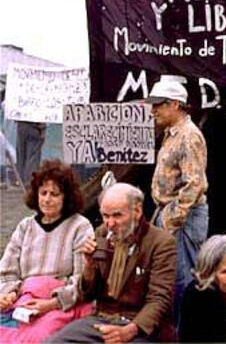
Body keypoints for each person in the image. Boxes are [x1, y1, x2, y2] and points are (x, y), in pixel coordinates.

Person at [46, 182, 177, 343]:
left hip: (140, 326)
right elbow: (86, 295)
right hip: (102, 319)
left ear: (137, 211)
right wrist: (89, 266)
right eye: (105, 216)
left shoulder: (161, 242)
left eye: (117, 215)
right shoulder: (102, 233)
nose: (110, 223)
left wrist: (129, 331)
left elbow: (159, 300)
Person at [0, 159, 94, 343]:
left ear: (66, 197)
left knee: (39, 337)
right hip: (22, 302)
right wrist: (8, 294)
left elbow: (82, 280)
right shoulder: (25, 226)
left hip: (61, 305)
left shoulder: (80, 227)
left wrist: (50, 304)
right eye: (43, 193)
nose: (47, 199)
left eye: (54, 194)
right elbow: (6, 272)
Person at [146, 75, 209, 318]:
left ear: (175, 104)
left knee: (185, 277)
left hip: (184, 216)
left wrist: (172, 219)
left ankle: (186, 331)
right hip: (173, 212)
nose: (154, 110)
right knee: (174, 275)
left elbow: (193, 184)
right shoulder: (173, 133)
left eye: (159, 104)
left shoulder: (188, 135)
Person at [16, 120, 47, 186]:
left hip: (21, 124)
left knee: (21, 155)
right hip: (35, 126)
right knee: (33, 156)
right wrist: (43, 129)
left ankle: (20, 180)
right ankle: (29, 181)